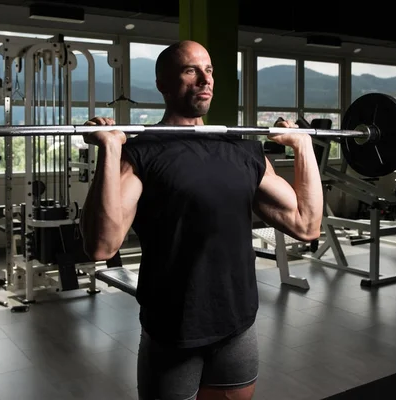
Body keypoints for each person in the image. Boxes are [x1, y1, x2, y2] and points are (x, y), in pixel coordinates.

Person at [79, 40, 323, 400]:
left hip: (239, 323)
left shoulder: (243, 149)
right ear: (163, 83)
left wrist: (303, 147)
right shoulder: (143, 153)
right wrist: (110, 150)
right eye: (190, 70)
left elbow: (307, 224)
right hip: (173, 329)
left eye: (208, 71)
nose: (204, 80)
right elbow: (101, 245)